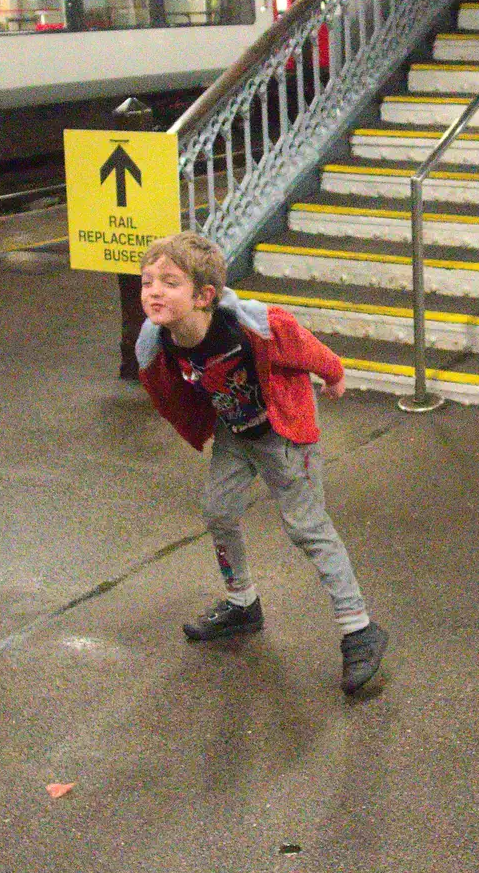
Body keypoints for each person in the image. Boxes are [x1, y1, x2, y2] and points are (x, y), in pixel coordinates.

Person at [135, 231, 390, 694]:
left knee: (308, 529)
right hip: (235, 432)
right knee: (217, 511)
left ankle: (359, 628)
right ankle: (242, 603)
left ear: (204, 296)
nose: (153, 291)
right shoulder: (159, 341)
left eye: (169, 282)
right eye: (148, 280)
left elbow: (304, 346)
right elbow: (169, 388)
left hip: (282, 432)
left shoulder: (253, 325)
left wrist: (333, 372)